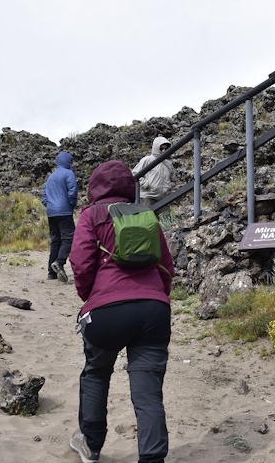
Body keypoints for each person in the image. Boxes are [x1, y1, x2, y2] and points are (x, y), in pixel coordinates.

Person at [68, 160, 175, 463]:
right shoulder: (146, 215)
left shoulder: (92, 215)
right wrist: (157, 296)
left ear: (95, 187)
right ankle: (153, 458)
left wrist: (91, 297)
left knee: (96, 374)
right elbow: (166, 265)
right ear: (131, 186)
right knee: (148, 391)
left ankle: (91, 444)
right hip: (154, 310)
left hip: (106, 312)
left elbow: (81, 263)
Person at [41, 151, 78, 283]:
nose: (72, 164)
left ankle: (51, 273)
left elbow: (44, 195)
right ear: (67, 162)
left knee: (56, 240)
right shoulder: (68, 173)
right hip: (64, 211)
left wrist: (49, 205)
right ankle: (59, 262)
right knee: (69, 238)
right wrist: (72, 205)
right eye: (71, 161)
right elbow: (72, 191)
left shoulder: (51, 177)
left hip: (51, 212)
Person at [132, 136, 176, 214]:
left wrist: (168, 186)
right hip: (148, 196)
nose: (163, 151)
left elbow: (174, 180)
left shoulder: (168, 164)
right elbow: (135, 174)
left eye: (165, 149)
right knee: (149, 222)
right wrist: (146, 184)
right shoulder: (147, 160)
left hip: (163, 198)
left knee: (167, 222)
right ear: (156, 148)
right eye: (161, 148)